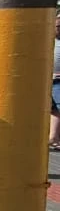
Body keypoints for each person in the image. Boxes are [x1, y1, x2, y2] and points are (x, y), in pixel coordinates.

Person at [49, 13, 60, 150]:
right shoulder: (49, 40)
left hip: (57, 81)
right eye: (57, 25)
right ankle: (53, 137)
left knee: (56, 109)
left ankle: (53, 137)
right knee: (53, 109)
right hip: (48, 80)